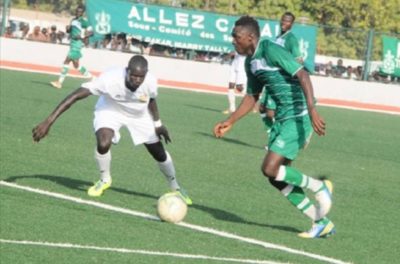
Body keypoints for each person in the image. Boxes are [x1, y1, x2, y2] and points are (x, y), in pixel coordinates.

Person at [213, 16, 334, 238]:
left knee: (269, 168)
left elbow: (302, 74)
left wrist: (312, 109)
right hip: (282, 118)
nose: (233, 41)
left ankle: (319, 186)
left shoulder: (270, 48)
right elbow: (252, 96)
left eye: (236, 37)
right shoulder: (251, 62)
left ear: (250, 37)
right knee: (276, 177)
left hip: (299, 115)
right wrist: (230, 120)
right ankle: (320, 221)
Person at [33, 55, 192, 205]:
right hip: (110, 109)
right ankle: (104, 179)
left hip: (139, 115)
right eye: (133, 76)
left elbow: (151, 100)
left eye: (140, 77)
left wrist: (157, 124)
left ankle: (176, 188)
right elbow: (75, 96)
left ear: (146, 74)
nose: (137, 80)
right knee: (103, 143)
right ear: (127, 70)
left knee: (159, 153)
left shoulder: (150, 81)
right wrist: (48, 121)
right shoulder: (110, 79)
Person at [50, 6, 94, 89]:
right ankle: (91, 78)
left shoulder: (84, 21)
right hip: (73, 42)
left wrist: (82, 37)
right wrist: (68, 29)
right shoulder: (73, 20)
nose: (77, 13)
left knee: (66, 61)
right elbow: (69, 31)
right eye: (77, 11)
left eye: (79, 11)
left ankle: (59, 82)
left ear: (82, 13)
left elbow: (91, 32)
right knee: (76, 65)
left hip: (77, 43)